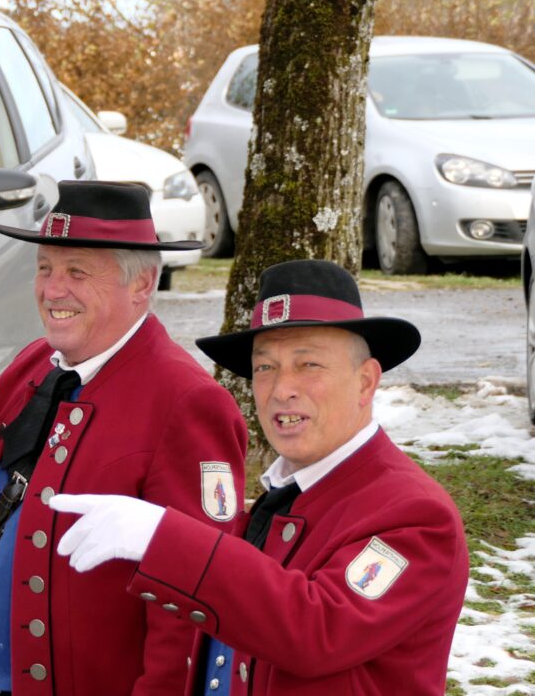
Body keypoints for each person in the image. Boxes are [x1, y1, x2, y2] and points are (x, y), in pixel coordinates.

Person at [51, 259, 469, 696]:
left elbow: (317, 630)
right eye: (265, 367)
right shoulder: (286, 495)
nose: (282, 388)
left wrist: (166, 538)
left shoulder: (415, 514)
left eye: (309, 364)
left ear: (366, 382)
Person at [0, 180, 248, 695]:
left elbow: (189, 602)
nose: (52, 290)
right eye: (45, 268)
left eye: (77, 272)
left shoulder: (185, 401)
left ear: (142, 284)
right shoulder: (33, 365)